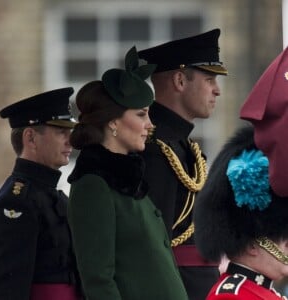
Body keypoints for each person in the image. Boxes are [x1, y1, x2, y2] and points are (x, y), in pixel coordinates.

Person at [67, 46, 189, 300]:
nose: (150, 125)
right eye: (141, 114)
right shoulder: (93, 185)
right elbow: (99, 280)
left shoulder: (129, 179)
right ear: (113, 122)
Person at [137, 28, 228, 299]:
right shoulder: (154, 150)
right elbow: (154, 246)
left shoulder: (184, 148)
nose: (217, 90)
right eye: (209, 79)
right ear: (179, 80)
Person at [193, 47, 288, 299]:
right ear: (253, 244)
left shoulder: (259, 292)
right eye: (281, 236)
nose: (287, 243)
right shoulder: (232, 295)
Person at [0, 88, 83, 300]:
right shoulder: (16, 203)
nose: (70, 141)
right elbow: (5, 289)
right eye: (61, 132)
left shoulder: (51, 196)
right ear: (30, 138)